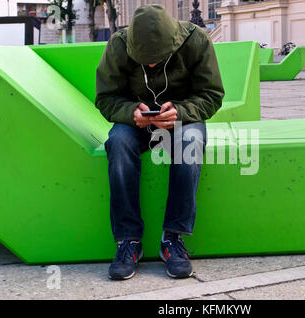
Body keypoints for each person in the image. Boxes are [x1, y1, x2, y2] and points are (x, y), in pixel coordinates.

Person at [95, 4, 225, 280]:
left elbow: (212, 94)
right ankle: (128, 241)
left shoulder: (197, 40)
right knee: (117, 143)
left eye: (158, 58)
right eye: (144, 59)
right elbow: (105, 98)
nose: (152, 64)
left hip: (183, 120)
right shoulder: (118, 45)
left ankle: (173, 239)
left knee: (190, 142)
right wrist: (130, 113)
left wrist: (182, 112)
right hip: (136, 123)